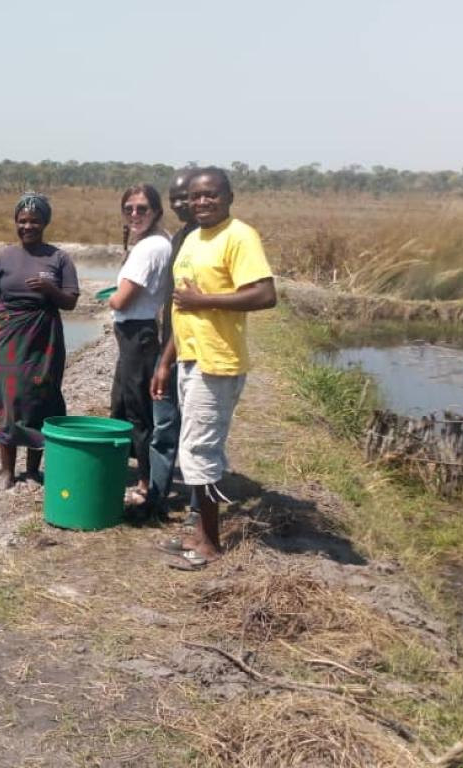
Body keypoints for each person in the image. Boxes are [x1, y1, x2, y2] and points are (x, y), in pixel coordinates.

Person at [151, 168, 276, 566]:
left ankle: (210, 544)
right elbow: (180, 305)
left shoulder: (239, 236)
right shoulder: (192, 239)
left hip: (217, 361)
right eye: (196, 196)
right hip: (190, 357)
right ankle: (199, 532)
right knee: (199, 448)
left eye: (211, 195)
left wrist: (207, 302)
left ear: (229, 197)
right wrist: (166, 361)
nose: (202, 202)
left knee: (198, 451)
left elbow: (264, 294)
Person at [0, 192, 80, 489]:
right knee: (10, 399)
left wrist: (48, 289)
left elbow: (70, 302)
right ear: (15, 222)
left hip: (45, 339)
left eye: (34, 221)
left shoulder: (59, 258)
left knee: (43, 398)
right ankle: (7, 470)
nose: (27, 226)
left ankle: (33, 469)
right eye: (22, 221)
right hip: (8, 338)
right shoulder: (3, 257)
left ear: (45, 223)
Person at [105, 184, 172, 509]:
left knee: (137, 412)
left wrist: (111, 300)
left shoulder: (149, 248)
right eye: (129, 208)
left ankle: (146, 485)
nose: (134, 214)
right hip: (138, 332)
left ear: (156, 211)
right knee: (122, 403)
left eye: (142, 208)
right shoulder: (159, 241)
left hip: (137, 334)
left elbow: (124, 296)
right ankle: (125, 471)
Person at [145, 170, 200, 520]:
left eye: (188, 196)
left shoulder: (207, 239)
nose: (182, 203)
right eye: (176, 197)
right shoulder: (181, 237)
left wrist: (165, 360)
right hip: (171, 345)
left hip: (192, 351)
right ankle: (157, 499)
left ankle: (199, 511)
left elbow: (188, 308)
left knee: (195, 436)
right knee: (164, 428)